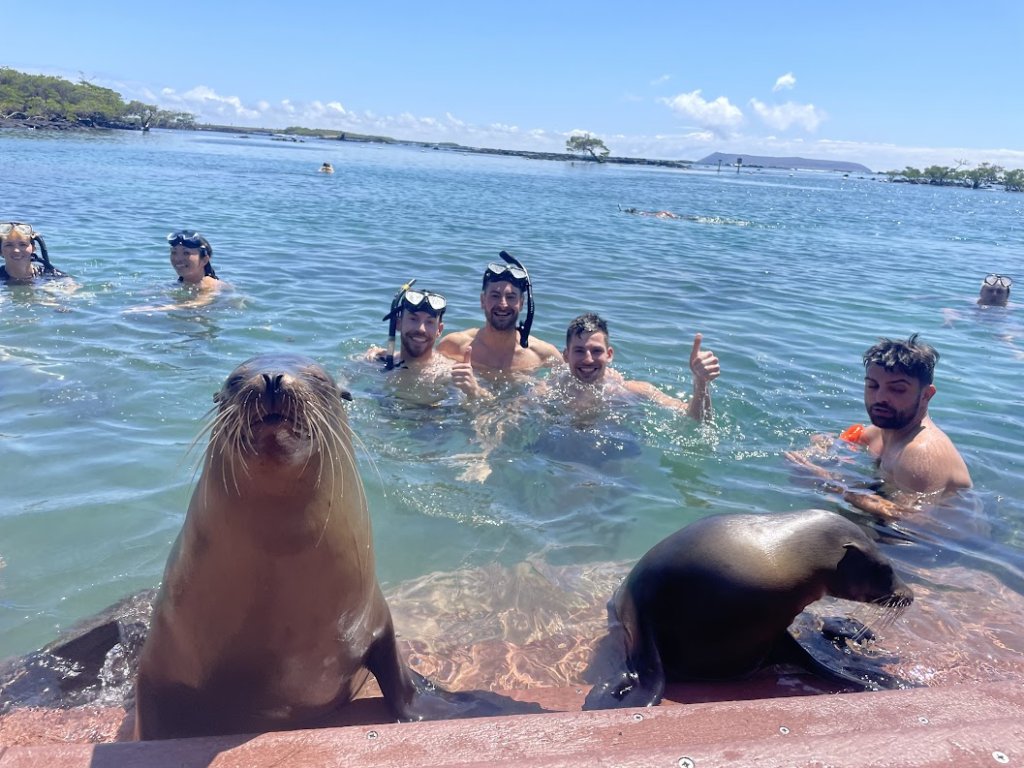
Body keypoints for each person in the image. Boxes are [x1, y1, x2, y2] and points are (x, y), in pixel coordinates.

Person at [787, 334, 971, 518]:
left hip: (941, 544)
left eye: (897, 389)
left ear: (926, 395)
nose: (880, 397)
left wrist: (827, 482)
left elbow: (914, 523)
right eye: (873, 386)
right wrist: (823, 445)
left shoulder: (921, 451)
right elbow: (850, 440)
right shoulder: (880, 432)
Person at [554, 312, 720, 421]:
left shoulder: (634, 391)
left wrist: (701, 383)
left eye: (596, 350)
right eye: (579, 351)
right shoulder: (548, 391)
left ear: (609, 355)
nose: (588, 359)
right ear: (566, 356)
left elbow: (694, 418)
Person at [437, 253, 562, 377]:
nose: (503, 304)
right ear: (482, 301)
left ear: (522, 303)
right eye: (495, 296)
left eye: (511, 297)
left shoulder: (544, 355)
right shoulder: (453, 346)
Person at [368, 284, 490, 400]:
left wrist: (475, 391)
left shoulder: (450, 373)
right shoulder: (377, 360)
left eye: (430, 322)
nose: (421, 329)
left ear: (439, 330)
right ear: (398, 324)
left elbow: (494, 406)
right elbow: (349, 378)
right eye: (413, 319)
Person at [0, 222, 72, 282]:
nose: (16, 250)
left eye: (23, 244)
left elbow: (72, 288)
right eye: (9, 245)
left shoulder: (49, 274)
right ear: (1, 251)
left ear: (33, 248)